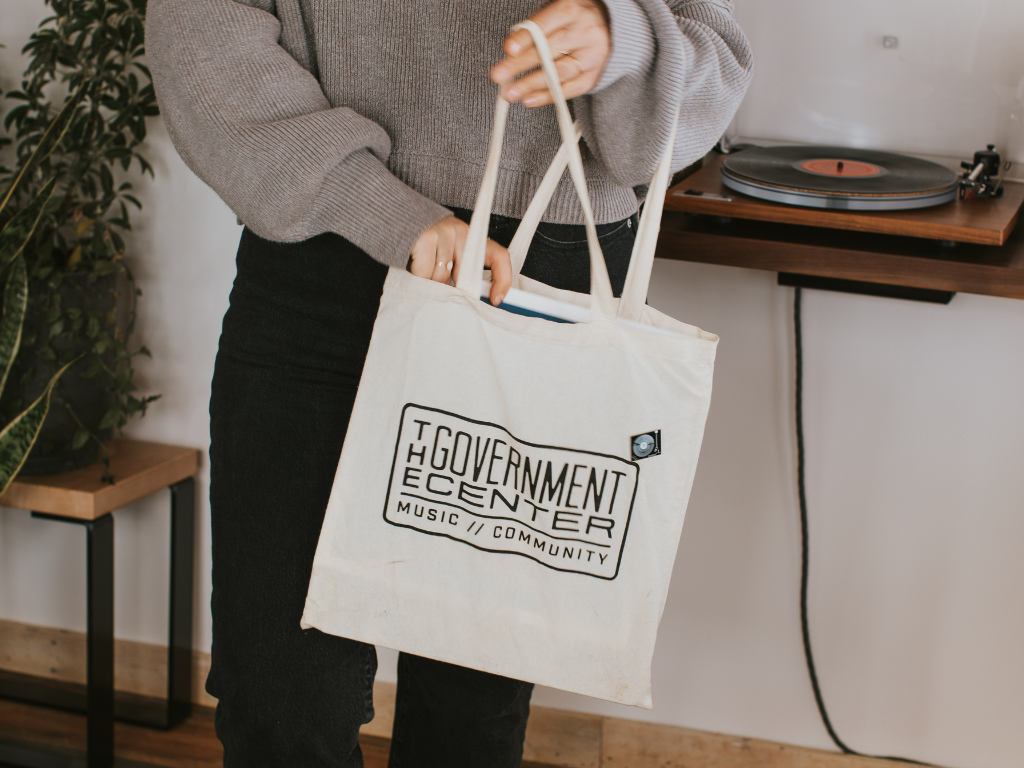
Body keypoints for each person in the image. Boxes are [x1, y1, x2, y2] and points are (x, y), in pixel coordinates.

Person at [145, 1, 751, 765]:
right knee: (278, 690)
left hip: (542, 265)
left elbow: (712, 62)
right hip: (323, 250)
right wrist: (374, 204)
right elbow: (199, 30)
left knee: (472, 703)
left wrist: (621, 39)